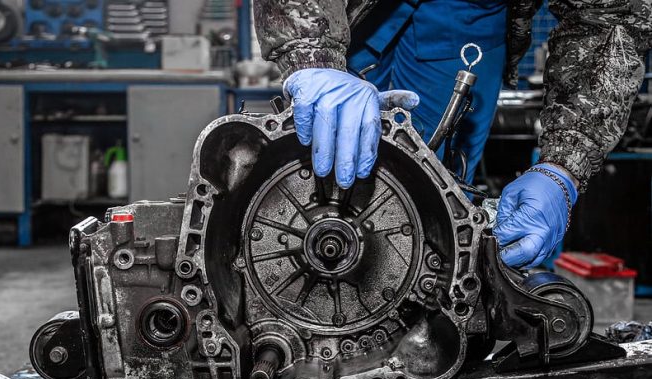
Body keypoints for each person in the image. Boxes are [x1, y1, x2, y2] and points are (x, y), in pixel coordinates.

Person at [253, 0, 651, 269]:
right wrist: (310, 56)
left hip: (467, 18)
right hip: (350, 13)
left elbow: (611, 14)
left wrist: (564, 165)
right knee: (319, 157)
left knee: (430, 212)